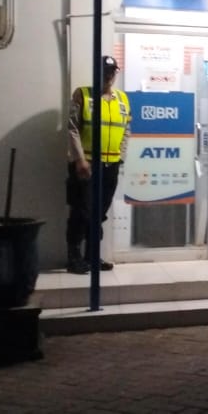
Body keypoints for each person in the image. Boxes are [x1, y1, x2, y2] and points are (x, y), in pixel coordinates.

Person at [65, 55, 130, 274]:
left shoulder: (122, 99)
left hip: (111, 165)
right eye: (104, 71)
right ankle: (74, 257)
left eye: (112, 71)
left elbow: (126, 129)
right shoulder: (83, 94)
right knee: (81, 211)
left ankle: (92, 256)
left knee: (99, 213)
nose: (108, 75)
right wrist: (79, 159)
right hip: (87, 165)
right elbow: (72, 128)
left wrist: (120, 156)